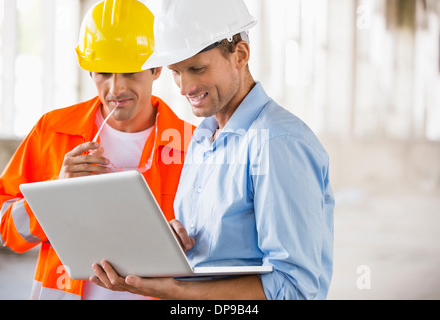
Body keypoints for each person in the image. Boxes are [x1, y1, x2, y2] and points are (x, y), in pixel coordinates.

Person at [91, 0, 335, 300]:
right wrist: (169, 249)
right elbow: (214, 256)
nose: (184, 87)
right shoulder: (202, 138)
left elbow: (295, 290)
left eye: (197, 68)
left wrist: (178, 290)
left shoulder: (277, 143)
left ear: (240, 55)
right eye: (176, 72)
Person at [0, 0, 193, 300]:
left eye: (129, 72)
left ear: (156, 69)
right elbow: (9, 230)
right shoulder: (52, 131)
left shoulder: (192, 145)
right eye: (103, 73)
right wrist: (56, 195)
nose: (116, 89)